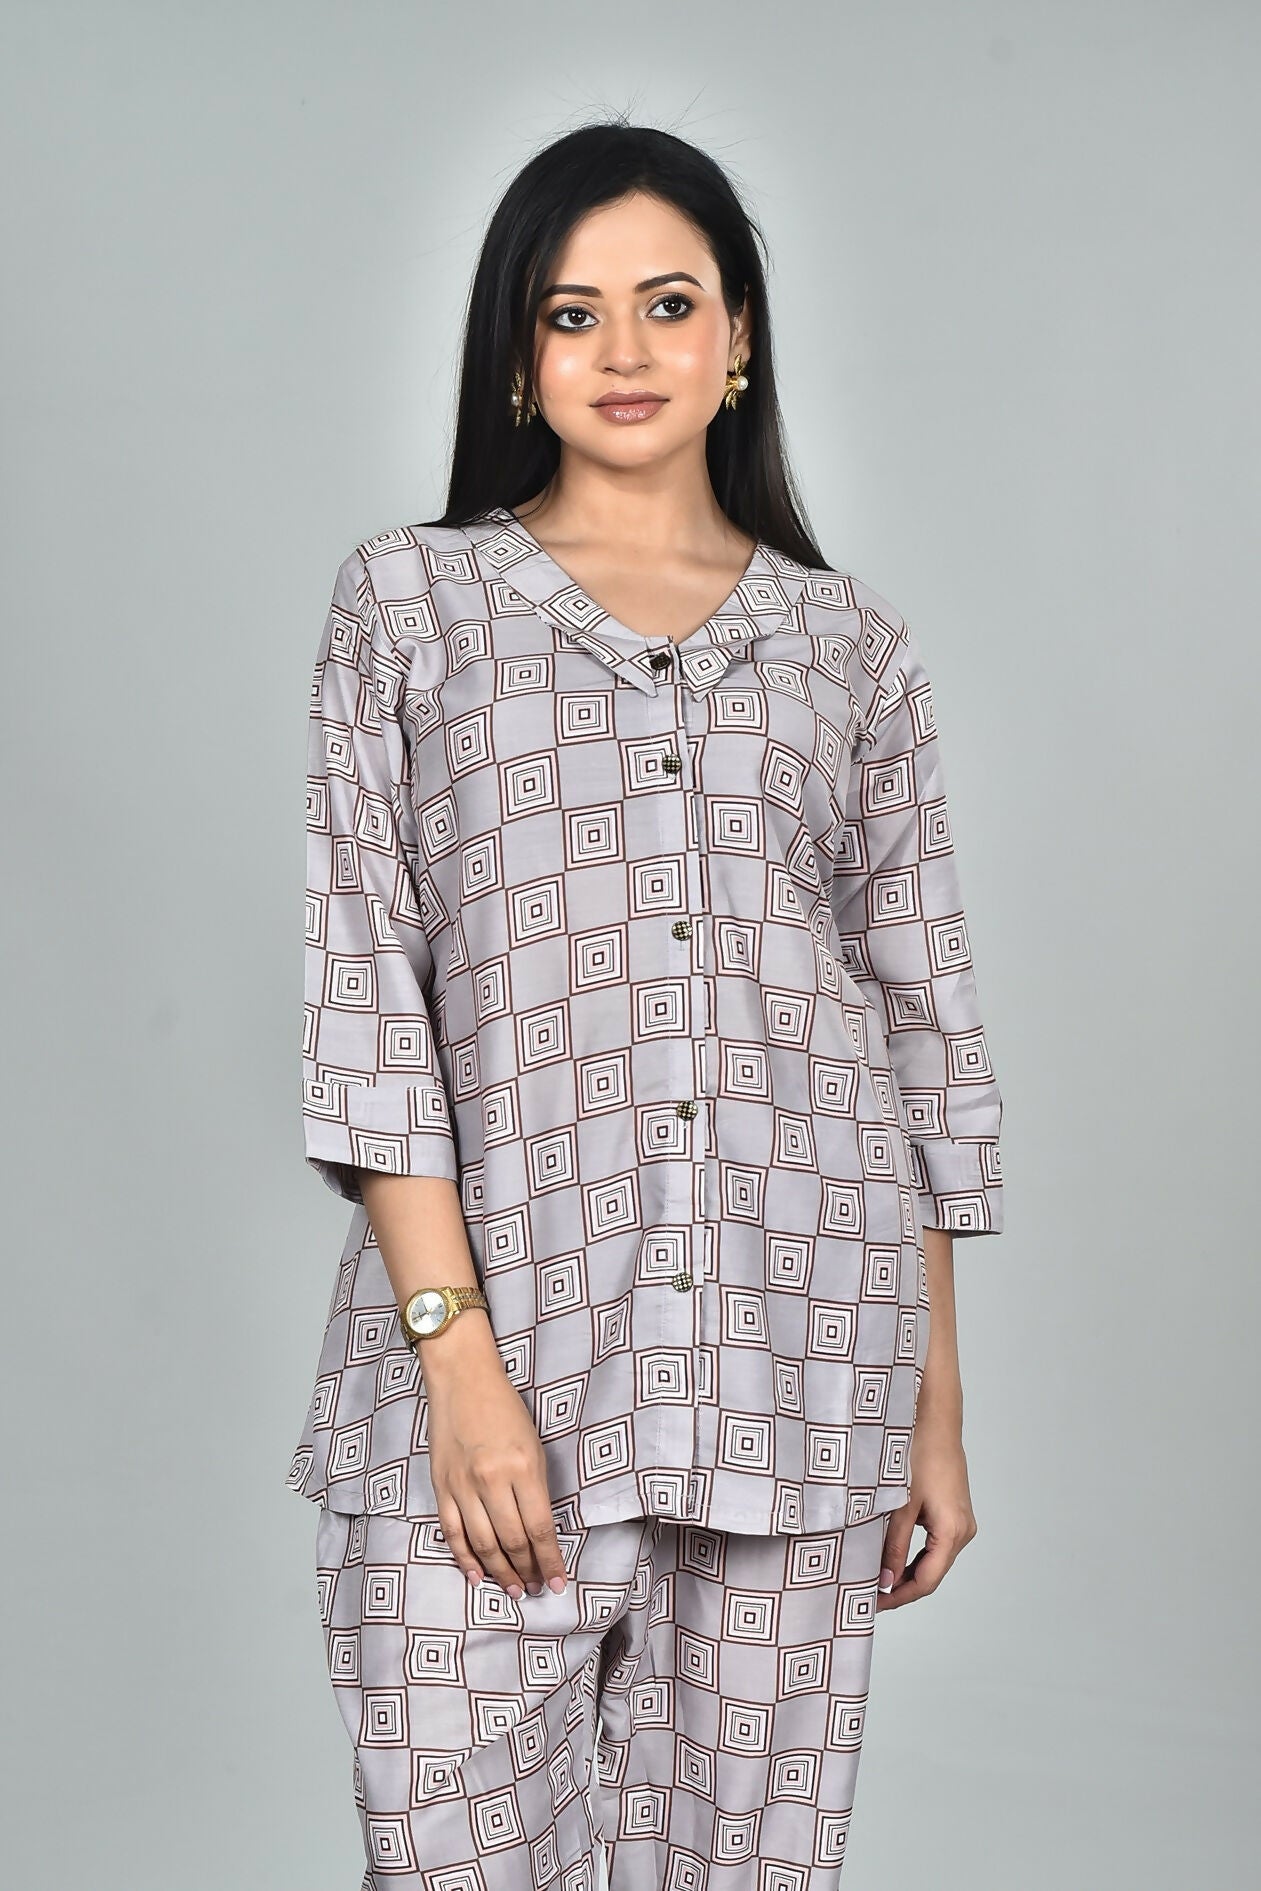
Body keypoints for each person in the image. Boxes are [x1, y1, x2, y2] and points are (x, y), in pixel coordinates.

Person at [286, 117, 1005, 1891]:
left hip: (802, 1357)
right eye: (571, 312)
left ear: (738, 335)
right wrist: (457, 1365)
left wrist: (930, 1405)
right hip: (500, 1363)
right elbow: (368, 996)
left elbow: (913, 1032)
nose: (624, 350)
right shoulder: (411, 604)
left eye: (668, 304)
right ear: (516, 355)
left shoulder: (851, 648)